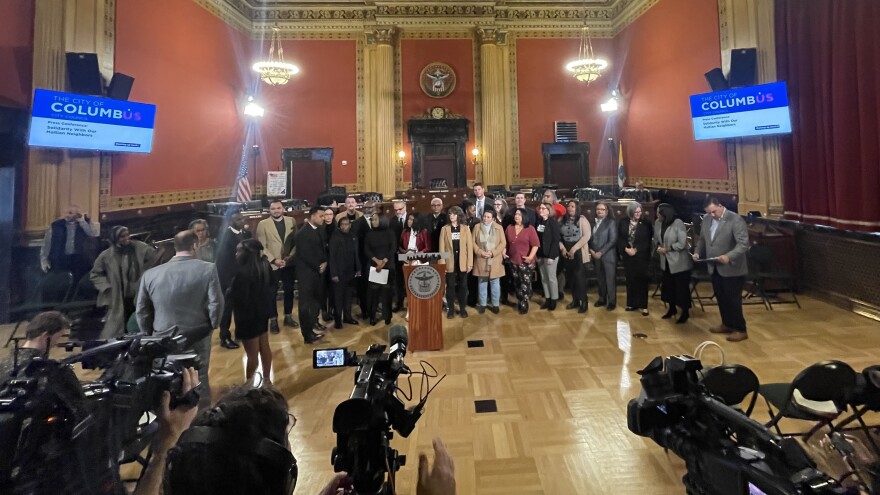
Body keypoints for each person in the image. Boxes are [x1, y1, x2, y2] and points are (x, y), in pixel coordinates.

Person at [136, 230, 223, 408]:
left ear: (175, 247)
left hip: (162, 336)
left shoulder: (150, 274)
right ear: (195, 245)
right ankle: (200, 419)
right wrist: (212, 325)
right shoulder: (208, 268)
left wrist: (149, 334)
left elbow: (142, 311)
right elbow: (216, 303)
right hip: (197, 334)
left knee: (165, 378)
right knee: (199, 378)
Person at [693, 197, 750, 342]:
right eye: (708, 212)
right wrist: (698, 252)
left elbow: (743, 244)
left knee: (733, 300)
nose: (712, 215)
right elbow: (703, 240)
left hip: (732, 268)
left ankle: (740, 329)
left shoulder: (735, 220)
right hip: (714, 267)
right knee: (721, 298)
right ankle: (727, 324)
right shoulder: (706, 219)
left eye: (714, 211)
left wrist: (728, 256)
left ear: (720, 206)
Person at [91, 225, 156, 339]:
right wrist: (106, 287)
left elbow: (155, 259)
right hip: (118, 295)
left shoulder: (140, 248)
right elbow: (95, 274)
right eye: (122, 236)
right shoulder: (106, 255)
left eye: (127, 235)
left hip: (138, 292)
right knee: (117, 325)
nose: (126, 238)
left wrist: (147, 276)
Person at [228, 239, 275, 383]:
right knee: (264, 347)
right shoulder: (265, 265)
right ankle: (267, 380)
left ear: (247, 253)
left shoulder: (243, 273)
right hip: (262, 313)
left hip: (247, 318)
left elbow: (240, 299)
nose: (236, 254)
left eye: (239, 251)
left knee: (252, 355)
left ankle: (248, 385)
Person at [256, 200, 298, 334]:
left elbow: (296, 242)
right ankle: (273, 319)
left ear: (283, 208)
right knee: (271, 293)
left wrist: (290, 257)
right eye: (273, 209)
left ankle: (288, 316)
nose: (276, 210)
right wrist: (274, 260)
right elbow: (261, 246)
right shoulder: (262, 224)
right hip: (272, 265)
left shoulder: (291, 221)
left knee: (289, 290)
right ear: (269, 210)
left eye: (278, 208)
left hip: (288, 263)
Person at [214, 213, 250, 349]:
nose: (241, 221)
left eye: (242, 219)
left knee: (242, 307)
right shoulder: (224, 237)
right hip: (228, 278)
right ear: (231, 221)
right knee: (227, 310)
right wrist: (229, 279)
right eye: (238, 219)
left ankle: (240, 333)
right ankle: (225, 337)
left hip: (244, 277)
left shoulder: (247, 233)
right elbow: (223, 260)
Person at [0, 311, 69, 381]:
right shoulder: (42, 369)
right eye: (58, 337)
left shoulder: (5, 363)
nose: (57, 343)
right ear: (45, 336)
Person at [654, 203, 694, 324]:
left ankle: (685, 312)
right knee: (668, 287)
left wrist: (668, 249)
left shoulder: (678, 223)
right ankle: (671, 309)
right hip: (665, 261)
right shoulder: (657, 223)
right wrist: (658, 248)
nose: (657, 214)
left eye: (658, 212)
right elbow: (656, 240)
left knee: (681, 289)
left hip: (679, 262)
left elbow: (682, 243)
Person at [294, 206, 328, 344]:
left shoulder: (320, 229)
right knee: (305, 305)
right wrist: (318, 266)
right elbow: (304, 254)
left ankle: (313, 326)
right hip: (306, 274)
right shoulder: (302, 234)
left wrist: (325, 262)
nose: (324, 218)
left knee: (316, 302)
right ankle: (307, 335)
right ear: (312, 216)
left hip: (317, 272)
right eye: (321, 216)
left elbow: (324, 248)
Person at [40, 204, 98, 281]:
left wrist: (82, 221)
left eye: (70, 213)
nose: (67, 215)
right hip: (60, 260)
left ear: (77, 214)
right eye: (65, 213)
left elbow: (93, 234)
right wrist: (44, 260)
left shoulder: (84, 223)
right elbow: (46, 244)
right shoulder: (56, 225)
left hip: (79, 261)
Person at [617, 202, 653, 315]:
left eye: (639, 211)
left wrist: (636, 250)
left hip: (642, 256)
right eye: (636, 212)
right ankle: (631, 303)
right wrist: (625, 249)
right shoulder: (623, 222)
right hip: (628, 256)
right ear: (630, 212)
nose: (638, 214)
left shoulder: (646, 223)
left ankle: (643, 306)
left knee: (642, 280)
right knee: (630, 279)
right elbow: (620, 238)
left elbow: (648, 240)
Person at [439, 206, 474, 319]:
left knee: (463, 286)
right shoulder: (445, 229)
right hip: (449, 261)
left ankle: (463, 309)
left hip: (463, 261)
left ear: (458, 215)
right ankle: (451, 310)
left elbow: (469, 247)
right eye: (450, 214)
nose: (451, 216)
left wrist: (470, 263)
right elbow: (442, 248)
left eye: (454, 214)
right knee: (450, 287)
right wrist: (442, 263)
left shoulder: (465, 228)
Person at [505, 208, 539, 314]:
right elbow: (506, 243)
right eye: (515, 214)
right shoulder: (509, 228)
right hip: (513, 260)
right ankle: (520, 299)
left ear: (524, 216)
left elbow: (535, 245)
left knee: (525, 282)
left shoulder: (530, 229)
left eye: (519, 214)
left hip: (526, 261)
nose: (516, 216)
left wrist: (530, 257)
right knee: (517, 282)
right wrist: (503, 252)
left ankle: (524, 301)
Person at [559, 200, 592, 313]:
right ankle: (575, 301)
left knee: (579, 279)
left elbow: (586, 236)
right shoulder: (562, 219)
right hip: (566, 251)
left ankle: (584, 302)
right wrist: (562, 248)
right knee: (571, 279)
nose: (570, 208)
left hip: (578, 251)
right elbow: (558, 236)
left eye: (572, 206)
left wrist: (574, 248)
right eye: (568, 206)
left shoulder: (582, 220)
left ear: (577, 208)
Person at [328, 216, 361, 329]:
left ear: (350, 225)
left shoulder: (353, 236)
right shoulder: (335, 236)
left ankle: (347, 317)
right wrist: (334, 274)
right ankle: (338, 320)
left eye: (347, 224)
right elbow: (331, 256)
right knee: (338, 298)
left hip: (350, 272)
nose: (345, 226)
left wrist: (358, 269)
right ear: (339, 225)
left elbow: (356, 254)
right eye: (342, 224)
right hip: (339, 273)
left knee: (348, 296)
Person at [364, 214, 397, 325]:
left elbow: (393, 248)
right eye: (372, 220)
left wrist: (383, 261)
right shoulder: (369, 233)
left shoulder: (390, 232)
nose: (373, 221)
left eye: (375, 219)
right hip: (374, 266)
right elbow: (366, 249)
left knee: (387, 293)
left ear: (382, 220)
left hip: (388, 266)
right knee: (373, 293)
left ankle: (387, 316)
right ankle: (372, 316)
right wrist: (377, 261)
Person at [472, 209, 506, 314]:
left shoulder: (499, 228)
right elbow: (472, 242)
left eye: (488, 217)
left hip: (494, 259)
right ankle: (483, 304)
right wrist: (480, 252)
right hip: (481, 259)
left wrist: (493, 253)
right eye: (484, 216)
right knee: (482, 282)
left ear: (493, 218)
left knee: (495, 283)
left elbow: (503, 243)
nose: (485, 219)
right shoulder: (477, 227)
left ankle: (495, 305)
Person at [589, 202, 618, 310]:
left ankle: (611, 302)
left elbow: (612, 240)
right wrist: (592, 251)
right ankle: (602, 299)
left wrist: (600, 252)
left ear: (607, 211)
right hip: (595, 256)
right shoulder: (592, 222)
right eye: (598, 209)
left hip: (608, 256)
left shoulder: (611, 222)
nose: (599, 211)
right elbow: (590, 239)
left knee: (610, 280)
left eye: (602, 209)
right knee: (600, 279)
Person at [535, 203, 562, 310]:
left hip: (551, 255)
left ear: (548, 210)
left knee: (551, 278)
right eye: (539, 208)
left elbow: (556, 240)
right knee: (543, 278)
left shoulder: (553, 223)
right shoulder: (539, 222)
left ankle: (554, 299)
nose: (540, 210)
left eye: (543, 208)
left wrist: (551, 256)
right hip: (541, 254)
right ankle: (547, 298)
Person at [390, 201, 409, 312]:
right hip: (397, 255)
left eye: (400, 209)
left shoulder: (411, 219)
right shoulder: (392, 221)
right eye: (396, 210)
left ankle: (411, 303)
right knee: (398, 280)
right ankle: (399, 302)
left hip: (410, 255)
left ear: (405, 207)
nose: (398, 212)